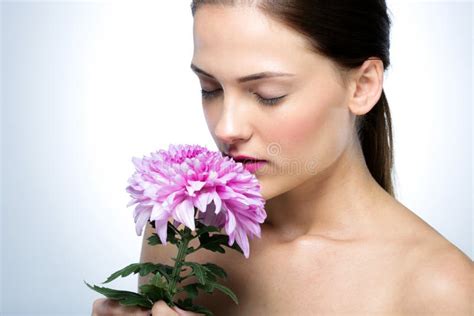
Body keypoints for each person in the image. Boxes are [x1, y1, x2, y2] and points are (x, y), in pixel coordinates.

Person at [92, 1, 472, 315]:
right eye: (210, 89)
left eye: (268, 94)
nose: (227, 128)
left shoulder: (441, 291)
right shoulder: (181, 235)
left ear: (362, 85)